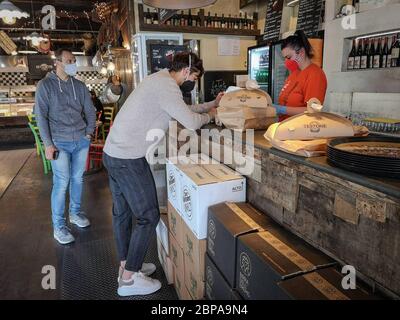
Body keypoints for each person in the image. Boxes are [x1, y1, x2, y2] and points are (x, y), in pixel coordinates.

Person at [103, 52, 222, 297]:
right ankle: (129, 281)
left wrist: (209, 105)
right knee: (148, 215)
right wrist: (212, 116)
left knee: (123, 214)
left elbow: (182, 109)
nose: (194, 82)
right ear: (187, 71)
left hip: (113, 153)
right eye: (195, 77)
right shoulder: (167, 86)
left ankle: (126, 266)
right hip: (128, 159)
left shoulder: (159, 80)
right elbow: (190, 121)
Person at [35, 48, 96, 245]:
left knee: (78, 179)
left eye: (74, 61)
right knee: (62, 184)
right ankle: (59, 226)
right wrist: (48, 144)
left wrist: (88, 132)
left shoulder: (79, 85)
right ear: (58, 63)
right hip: (59, 142)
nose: (73, 64)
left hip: (80, 140)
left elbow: (90, 110)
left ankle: (75, 214)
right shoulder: (45, 86)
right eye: (69, 61)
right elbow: (40, 117)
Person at [273, 30, 327, 121]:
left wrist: (282, 110)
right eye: (285, 58)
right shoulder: (294, 73)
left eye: (289, 57)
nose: (287, 61)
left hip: (300, 130)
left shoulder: (315, 75)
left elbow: (313, 110)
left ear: (301, 52)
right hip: (285, 127)